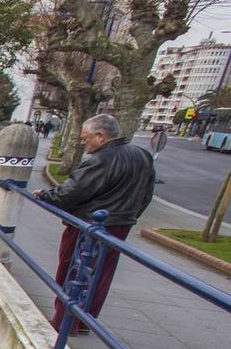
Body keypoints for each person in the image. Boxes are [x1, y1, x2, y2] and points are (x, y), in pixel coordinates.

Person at [34, 113, 156, 334]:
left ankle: (65, 322)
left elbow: (71, 193)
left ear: (100, 136)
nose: (83, 143)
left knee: (73, 270)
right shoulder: (142, 156)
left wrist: (45, 195)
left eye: (85, 138)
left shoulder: (101, 160)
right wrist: (130, 215)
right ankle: (84, 321)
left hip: (89, 225)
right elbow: (147, 194)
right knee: (101, 274)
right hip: (121, 225)